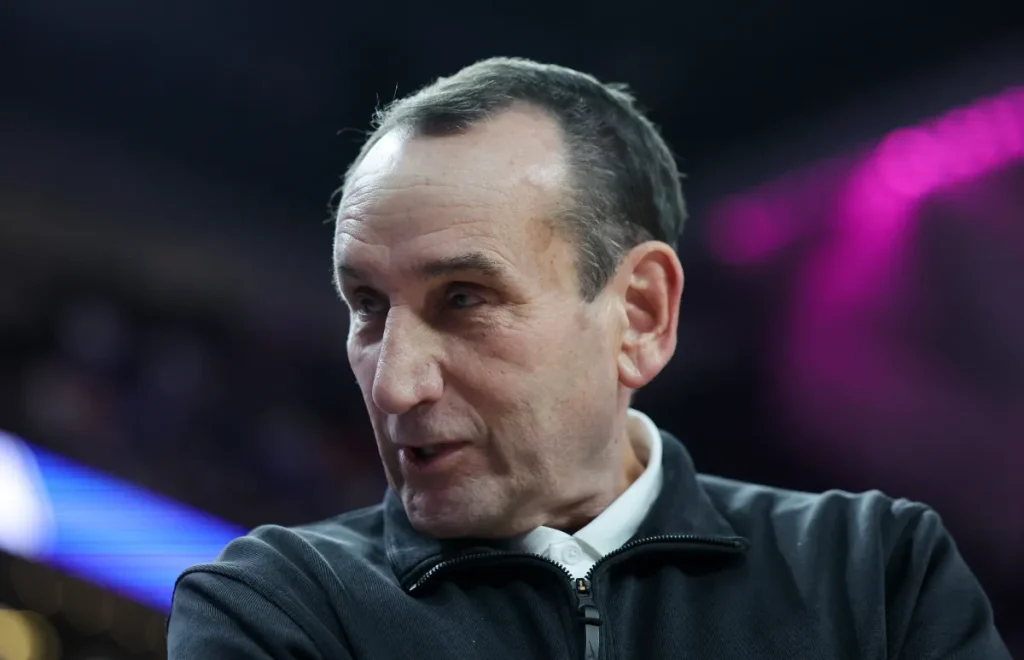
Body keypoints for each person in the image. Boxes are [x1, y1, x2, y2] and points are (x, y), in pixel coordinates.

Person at [166, 57, 1010, 659]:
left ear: (639, 315)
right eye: (368, 307)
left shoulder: (872, 571)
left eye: (464, 299)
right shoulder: (276, 605)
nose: (393, 385)